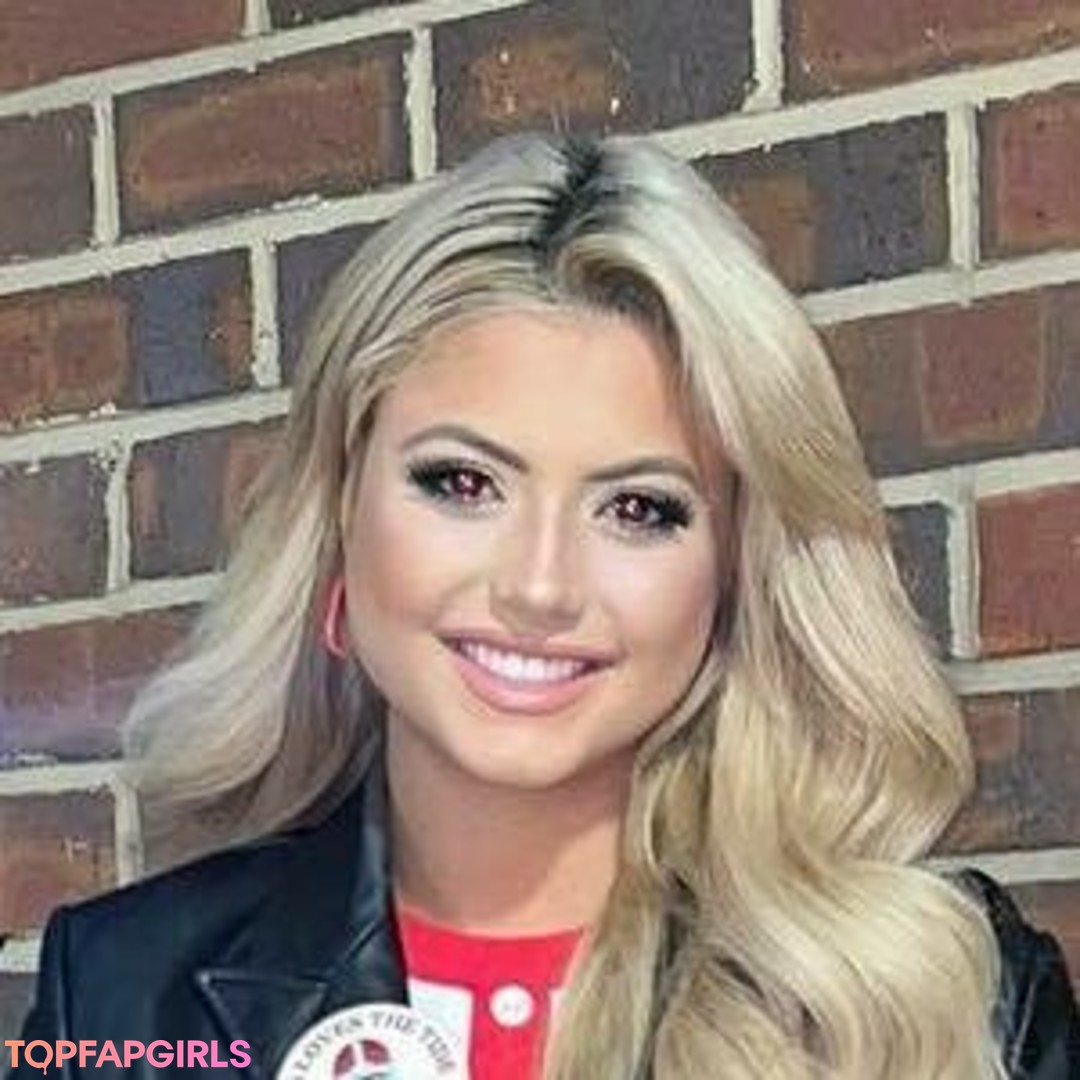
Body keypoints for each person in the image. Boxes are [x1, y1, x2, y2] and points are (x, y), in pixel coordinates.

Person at [10, 133, 1079, 1080]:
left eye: (640, 509)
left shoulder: (952, 996)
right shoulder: (118, 994)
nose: (538, 586)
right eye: (462, 483)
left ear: (735, 572)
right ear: (337, 516)